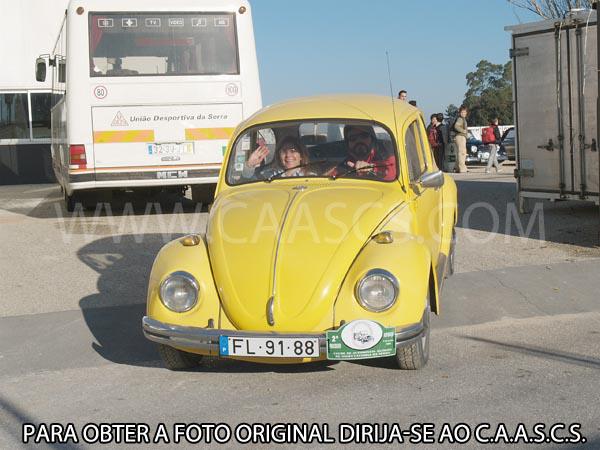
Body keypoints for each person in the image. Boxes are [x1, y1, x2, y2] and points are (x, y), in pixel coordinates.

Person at [327, 125, 397, 181]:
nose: (359, 141)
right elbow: (328, 180)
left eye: (364, 136)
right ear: (348, 144)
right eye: (353, 138)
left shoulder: (386, 155)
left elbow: (393, 174)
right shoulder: (346, 164)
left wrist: (371, 168)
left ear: (372, 139)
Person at [453, 106, 469, 173]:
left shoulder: (462, 119)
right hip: (460, 137)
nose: (463, 113)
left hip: (459, 137)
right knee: (462, 153)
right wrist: (463, 131)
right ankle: (462, 168)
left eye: (464, 112)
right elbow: (456, 126)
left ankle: (458, 168)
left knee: (459, 153)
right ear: (460, 113)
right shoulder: (460, 119)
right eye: (462, 112)